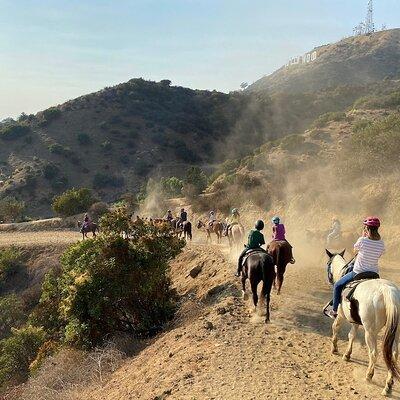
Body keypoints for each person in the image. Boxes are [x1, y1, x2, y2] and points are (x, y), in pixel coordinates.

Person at [327, 217, 385, 319]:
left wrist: (363, 237)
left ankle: (334, 311)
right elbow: (379, 255)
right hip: (374, 274)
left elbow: (355, 252)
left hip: (358, 272)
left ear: (366, 229)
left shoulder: (362, 240)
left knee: (337, 285)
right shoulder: (381, 243)